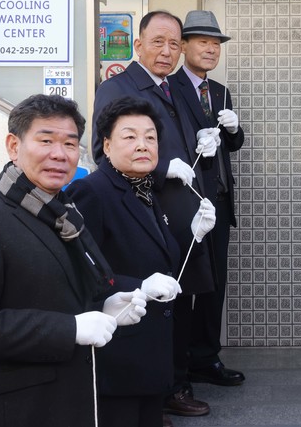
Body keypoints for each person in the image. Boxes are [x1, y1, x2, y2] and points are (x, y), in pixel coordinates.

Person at [0, 94, 147, 427]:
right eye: (46, 140)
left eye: (70, 144)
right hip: (13, 412)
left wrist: (105, 306)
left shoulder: (65, 216)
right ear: (13, 146)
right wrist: (70, 329)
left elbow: (60, 293)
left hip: (69, 403)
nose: (59, 154)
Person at [92, 10, 217, 417]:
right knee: (150, 303)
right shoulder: (118, 87)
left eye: (174, 44)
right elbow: (102, 152)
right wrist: (163, 169)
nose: (167, 51)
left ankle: (173, 384)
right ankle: (162, 393)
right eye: (158, 42)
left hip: (180, 217)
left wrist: (206, 141)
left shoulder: (173, 88)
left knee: (178, 301)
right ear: (138, 44)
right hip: (143, 213)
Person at [67, 97, 216, 427]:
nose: (142, 145)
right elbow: (80, 272)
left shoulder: (144, 190)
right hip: (117, 357)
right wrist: (139, 287)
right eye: (130, 136)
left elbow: (161, 261)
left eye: (150, 137)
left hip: (151, 355)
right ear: (107, 145)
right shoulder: (93, 192)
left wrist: (195, 235)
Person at [170, 10, 246, 386]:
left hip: (218, 199)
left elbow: (233, 144)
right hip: (184, 201)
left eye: (216, 43)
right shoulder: (168, 87)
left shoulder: (220, 91)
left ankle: (206, 357)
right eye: (203, 42)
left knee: (215, 282)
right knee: (184, 283)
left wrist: (234, 130)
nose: (211, 49)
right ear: (184, 46)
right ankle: (178, 364)